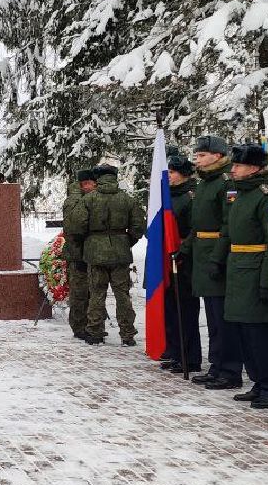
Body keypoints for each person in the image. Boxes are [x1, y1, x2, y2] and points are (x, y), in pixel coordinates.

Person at [221, 143, 268, 409]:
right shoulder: (241, 195)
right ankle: (258, 382)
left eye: (239, 165)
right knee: (246, 332)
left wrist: (267, 280)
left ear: (256, 168)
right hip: (239, 268)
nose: (233, 169)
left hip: (257, 269)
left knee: (263, 334)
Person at [185, 135, 245, 391]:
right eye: (196, 154)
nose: (196, 157)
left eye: (202, 153)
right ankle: (217, 365)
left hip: (216, 254)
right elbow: (197, 224)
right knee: (212, 316)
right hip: (202, 252)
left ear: (218, 156)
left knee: (223, 318)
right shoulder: (205, 183)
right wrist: (186, 248)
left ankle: (230, 369)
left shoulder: (225, 182)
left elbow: (227, 224)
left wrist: (217, 257)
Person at [80, 163, 145, 345]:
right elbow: (138, 226)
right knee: (122, 294)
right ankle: (127, 334)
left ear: (97, 179)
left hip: (95, 253)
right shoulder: (127, 199)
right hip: (120, 252)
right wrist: (125, 241)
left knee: (97, 294)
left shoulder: (89, 199)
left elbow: (78, 225)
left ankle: (95, 332)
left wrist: (91, 240)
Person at [160, 154, 201, 373]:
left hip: (184, 256)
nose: (169, 177)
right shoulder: (168, 196)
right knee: (171, 307)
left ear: (184, 174)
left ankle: (189, 356)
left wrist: (182, 248)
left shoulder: (190, 196)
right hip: (168, 256)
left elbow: (194, 228)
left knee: (184, 307)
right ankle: (175, 351)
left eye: (173, 172)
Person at [61, 170, 97, 341]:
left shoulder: (89, 198)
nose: (92, 187)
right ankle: (79, 326)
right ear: (83, 184)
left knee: (92, 292)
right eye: (89, 183)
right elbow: (72, 228)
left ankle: (91, 325)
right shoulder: (74, 201)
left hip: (89, 252)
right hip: (77, 253)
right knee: (79, 293)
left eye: (93, 183)